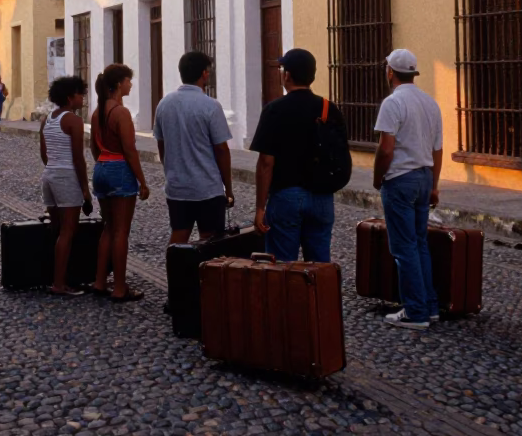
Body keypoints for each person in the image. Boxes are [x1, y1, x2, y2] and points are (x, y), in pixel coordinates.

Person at [249, 48, 346, 263]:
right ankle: (321, 297)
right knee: (320, 265)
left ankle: (286, 298)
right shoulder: (328, 108)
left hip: (286, 197)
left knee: (282, 265)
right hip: (322, 196)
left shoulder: (275, 109)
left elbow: (266, 162)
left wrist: (260, 207)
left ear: (287, 75)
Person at [373, 48, 443, 331]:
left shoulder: (392, 103)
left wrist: (378, 178)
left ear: (390, 71)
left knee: (404, 248)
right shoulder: (430, 103)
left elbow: (386, 149)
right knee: (420, 244)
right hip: (425, 176)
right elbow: (438, 150)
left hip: (401, 179)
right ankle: (430, 305)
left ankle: (415, 311)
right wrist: (435, 185)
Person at [154, 51, 233, 246]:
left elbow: (162, 145)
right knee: (210, 241)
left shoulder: (164, 104)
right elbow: (221, 149)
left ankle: (175, 275)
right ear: (204, 74)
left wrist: (171, 171)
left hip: (177, 186)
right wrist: (228, 188)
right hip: (207, 187)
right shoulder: (211, 106)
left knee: (179, 237)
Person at [89, 64, 150, 302]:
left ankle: (100, 281)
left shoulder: (97, 113)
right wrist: (142, 181)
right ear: (118, 84)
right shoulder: (121, 113)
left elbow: (94, 147)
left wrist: (103, 164)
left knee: (108, 228)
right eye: (128, 80)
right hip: (119, 169)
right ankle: (120, 287)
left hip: (101, 166)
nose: (131, 84)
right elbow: (130, 150)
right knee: (121, 232)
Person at [39, 75, 93, 296]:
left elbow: (44, 154)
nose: (83, 98)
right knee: (68, 232)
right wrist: (85, 191)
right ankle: (59, 284)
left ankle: (56, 276)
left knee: (57, 230)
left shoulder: (47, 120)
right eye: (80, 94)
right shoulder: (73, 121)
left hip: (49, 175)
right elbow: (78, 158)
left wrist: (54, 167)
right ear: (71, 97)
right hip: (66, 177)